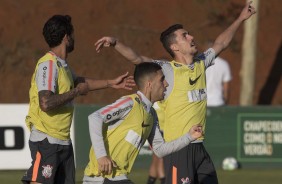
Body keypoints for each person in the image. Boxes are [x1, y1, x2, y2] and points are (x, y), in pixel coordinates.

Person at [94, 2, 256, 184]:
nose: (191, 37)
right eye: (185, 36)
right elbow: (138, 59)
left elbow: (221, 42)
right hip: (179, 151)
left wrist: (241, 18)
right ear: (175, 47)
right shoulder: (167, 70)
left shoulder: (201, 62)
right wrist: (115, 43)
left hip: (199, 147)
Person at [21, 15, 135, 184]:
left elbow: (80, 82)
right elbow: (46, 103)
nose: (74, 38)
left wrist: (111, 83)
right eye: (72, 34)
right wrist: (75, 92)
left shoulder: (62, 65)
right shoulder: (49, 64)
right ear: (66, 37)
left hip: (63, 141)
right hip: (46, 140)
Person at [83, 62, 203, 184]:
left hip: (117, 178)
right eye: (162, 80)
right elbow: (95, 117)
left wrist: (189, 137)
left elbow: (159, 149)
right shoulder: (130, 103)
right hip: (102, 177)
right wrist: (101, 156)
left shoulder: (151, 114)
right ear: (149, 85)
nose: (166, 84)